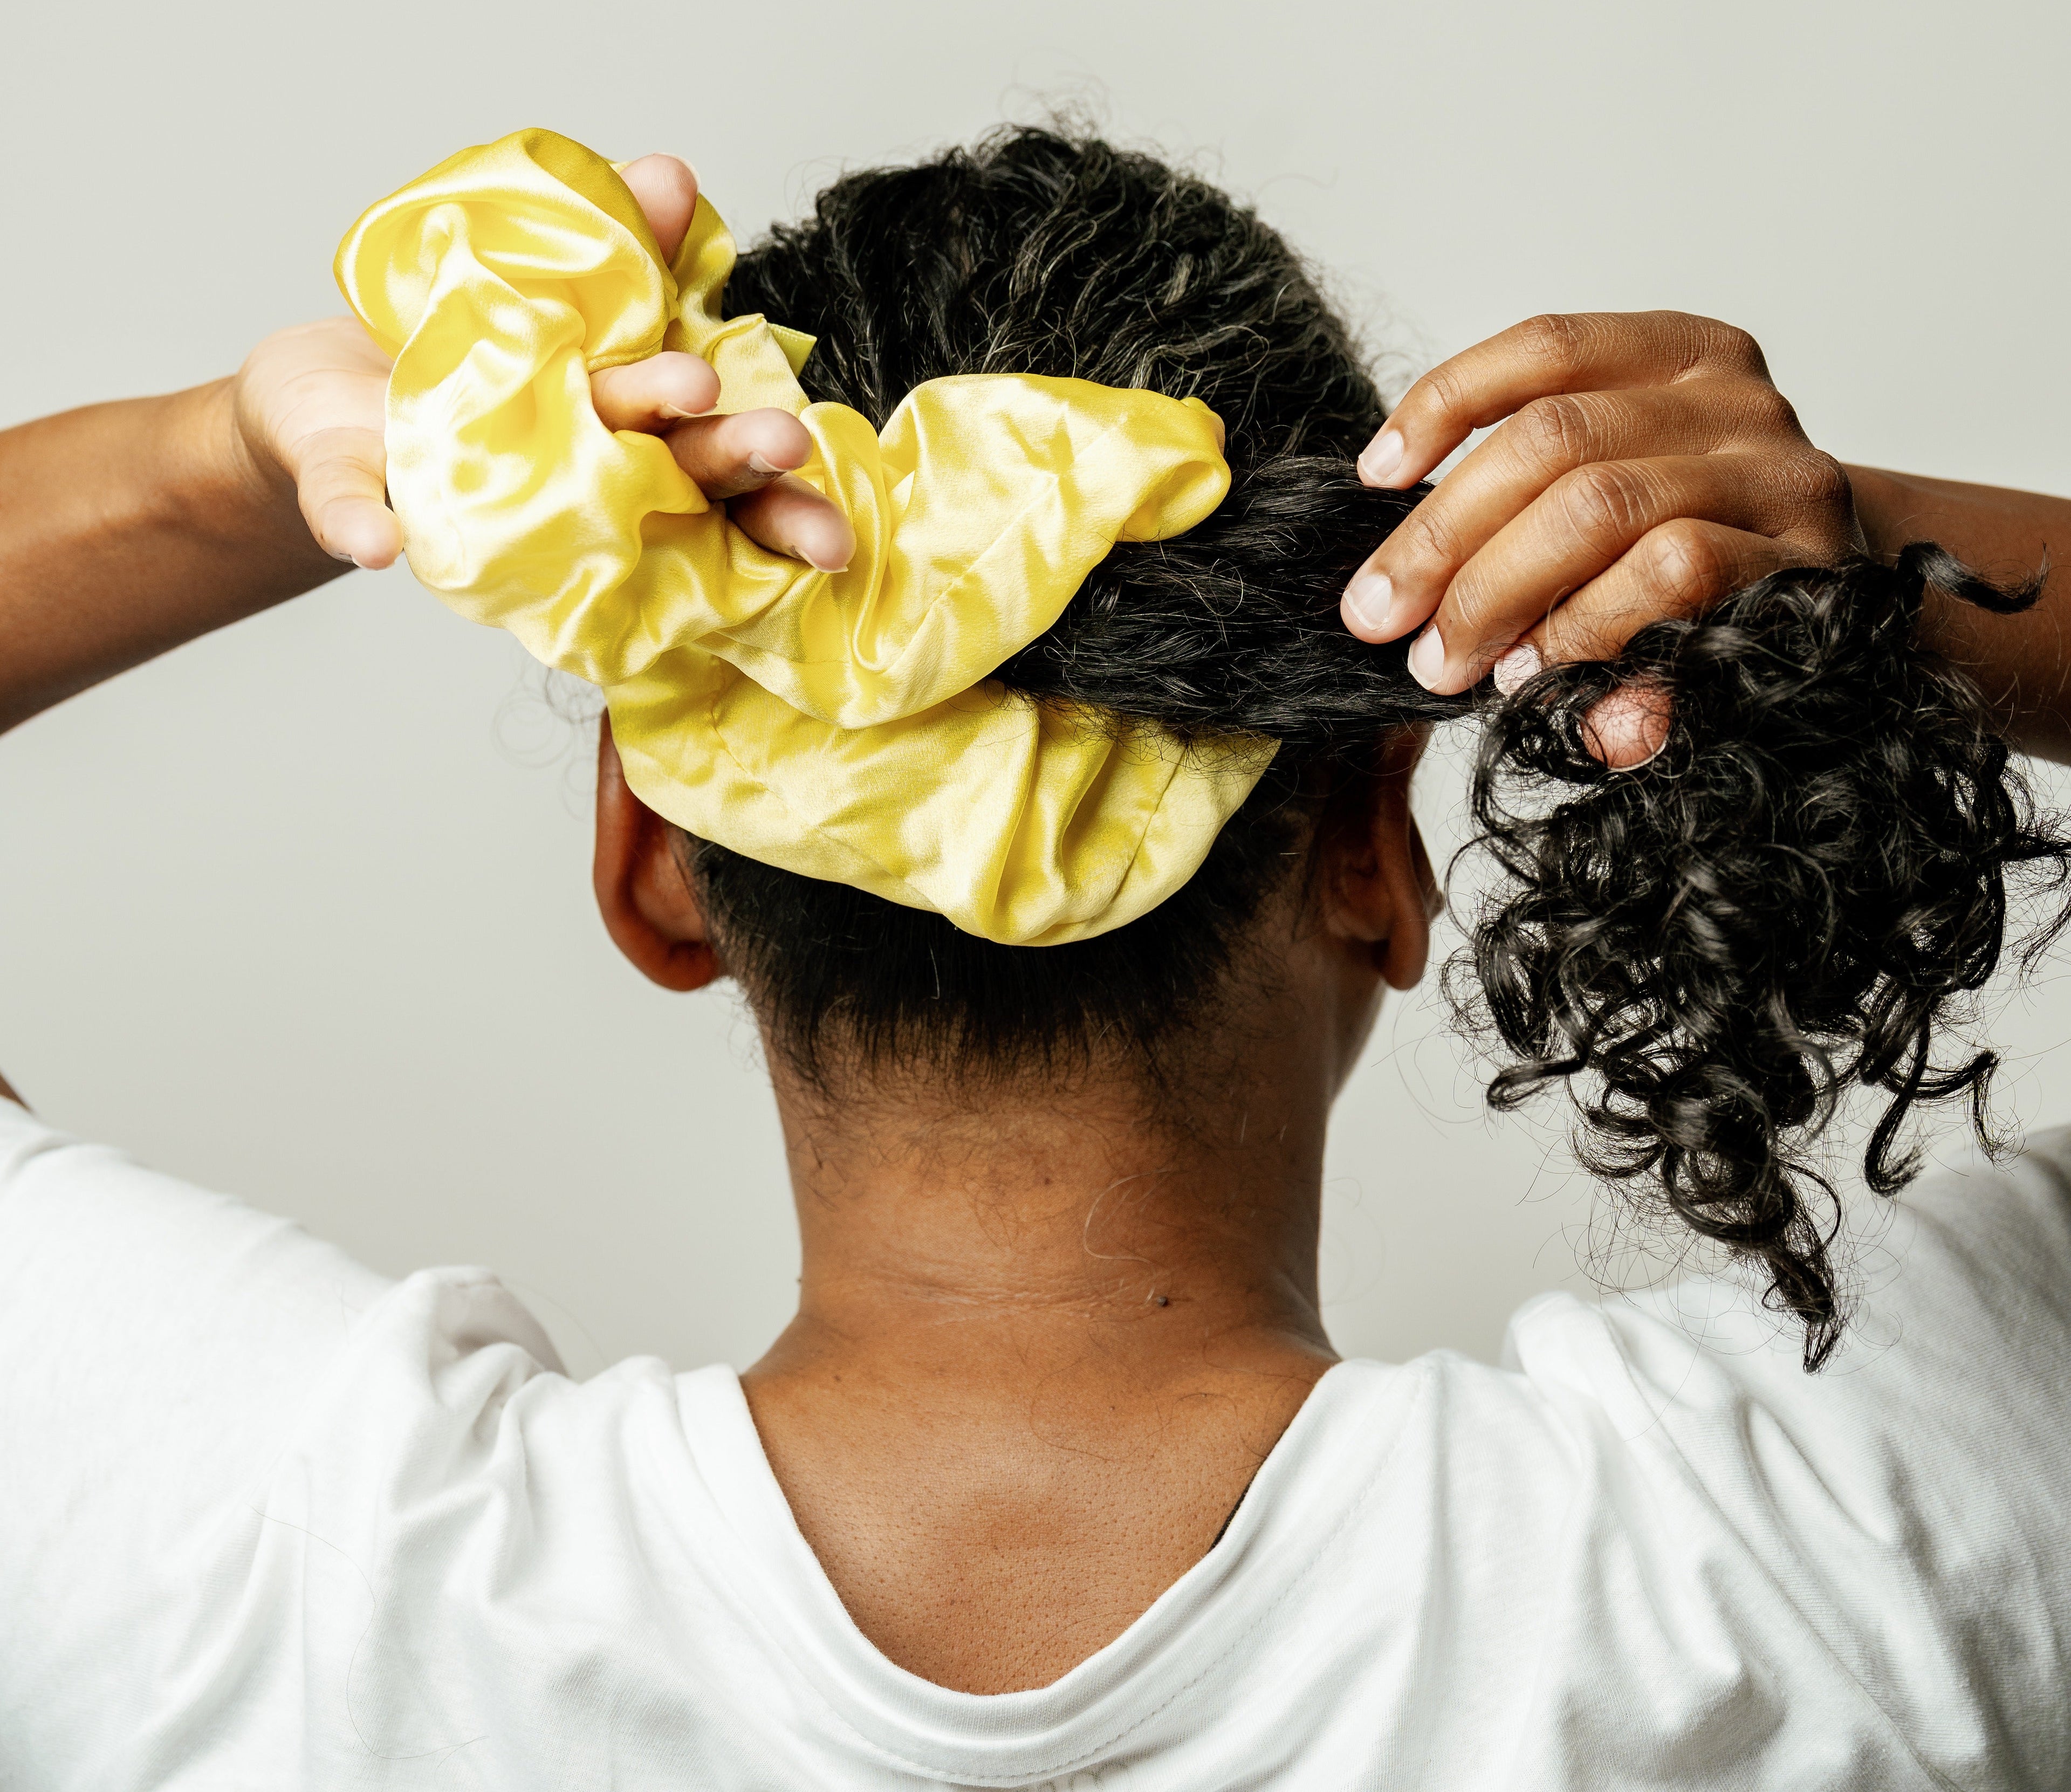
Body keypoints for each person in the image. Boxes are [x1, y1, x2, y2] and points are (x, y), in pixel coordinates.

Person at [1, 126, 2066, 1789]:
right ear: (1375, 847)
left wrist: (268, 463)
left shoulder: (268, 1564)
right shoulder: (1859, 1543)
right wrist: (1847, 555)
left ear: (649, 860)